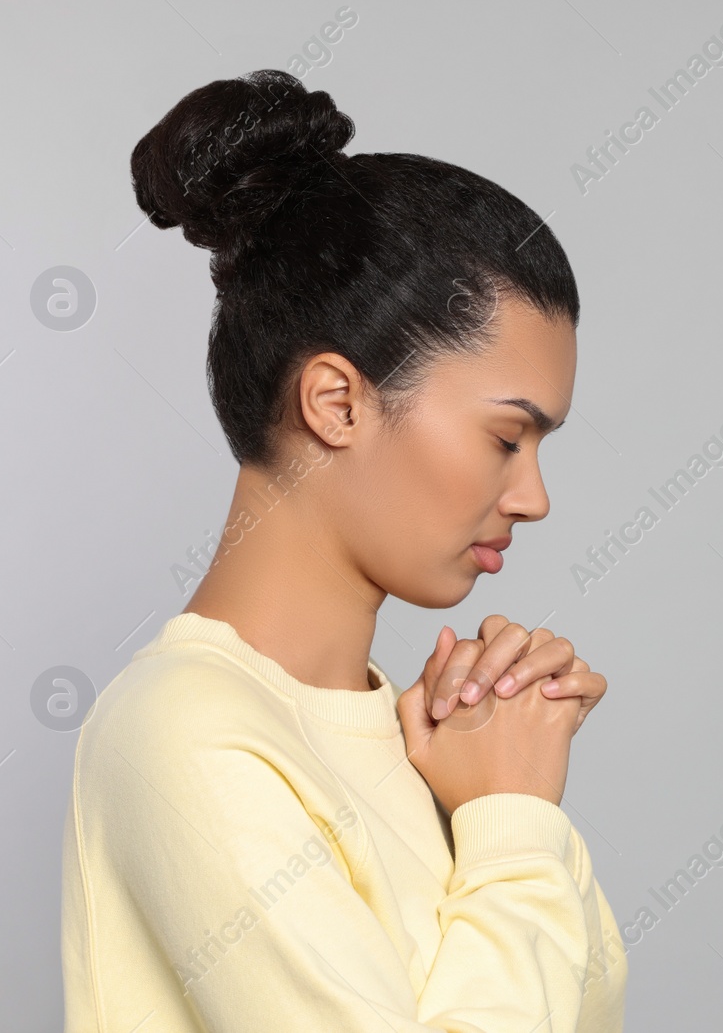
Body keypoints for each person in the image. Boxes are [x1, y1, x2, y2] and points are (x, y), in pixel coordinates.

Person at [60, 68, 627, 1032]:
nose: (532, 498)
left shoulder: (433, 750)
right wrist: (516, 822)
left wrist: (496, 788)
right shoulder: (181, 731)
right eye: (505, 438)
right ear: (337, 401)